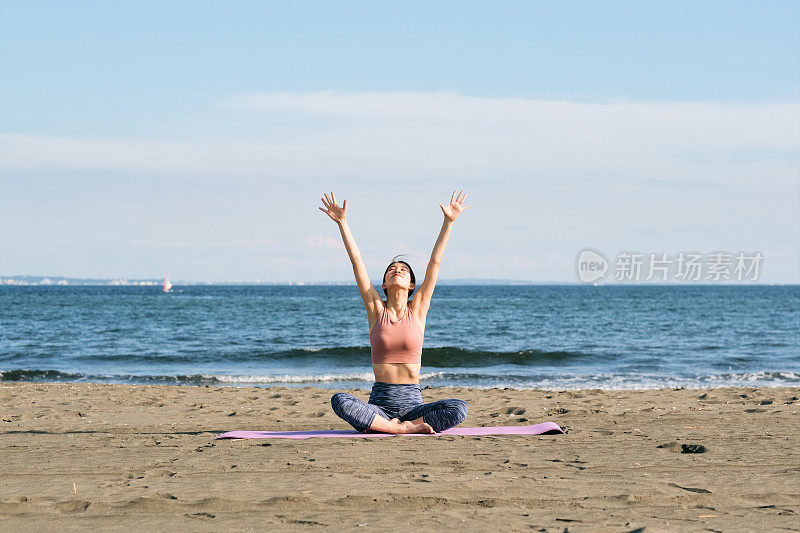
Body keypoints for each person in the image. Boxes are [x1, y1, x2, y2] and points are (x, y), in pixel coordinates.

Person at [318, 190, 471, 434]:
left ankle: (397, 427)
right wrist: (342, 223)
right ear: (384, 284)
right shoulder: (376, 309)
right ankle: (399, 429)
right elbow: (357, 263)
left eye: (403, 269)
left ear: (412, 284)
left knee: (459, 408)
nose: (396, 270)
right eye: (391, 269)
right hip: (379, 405)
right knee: (340, 400)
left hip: (413, 406)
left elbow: (435, 263)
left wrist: (448, 222)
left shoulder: (418, 308)